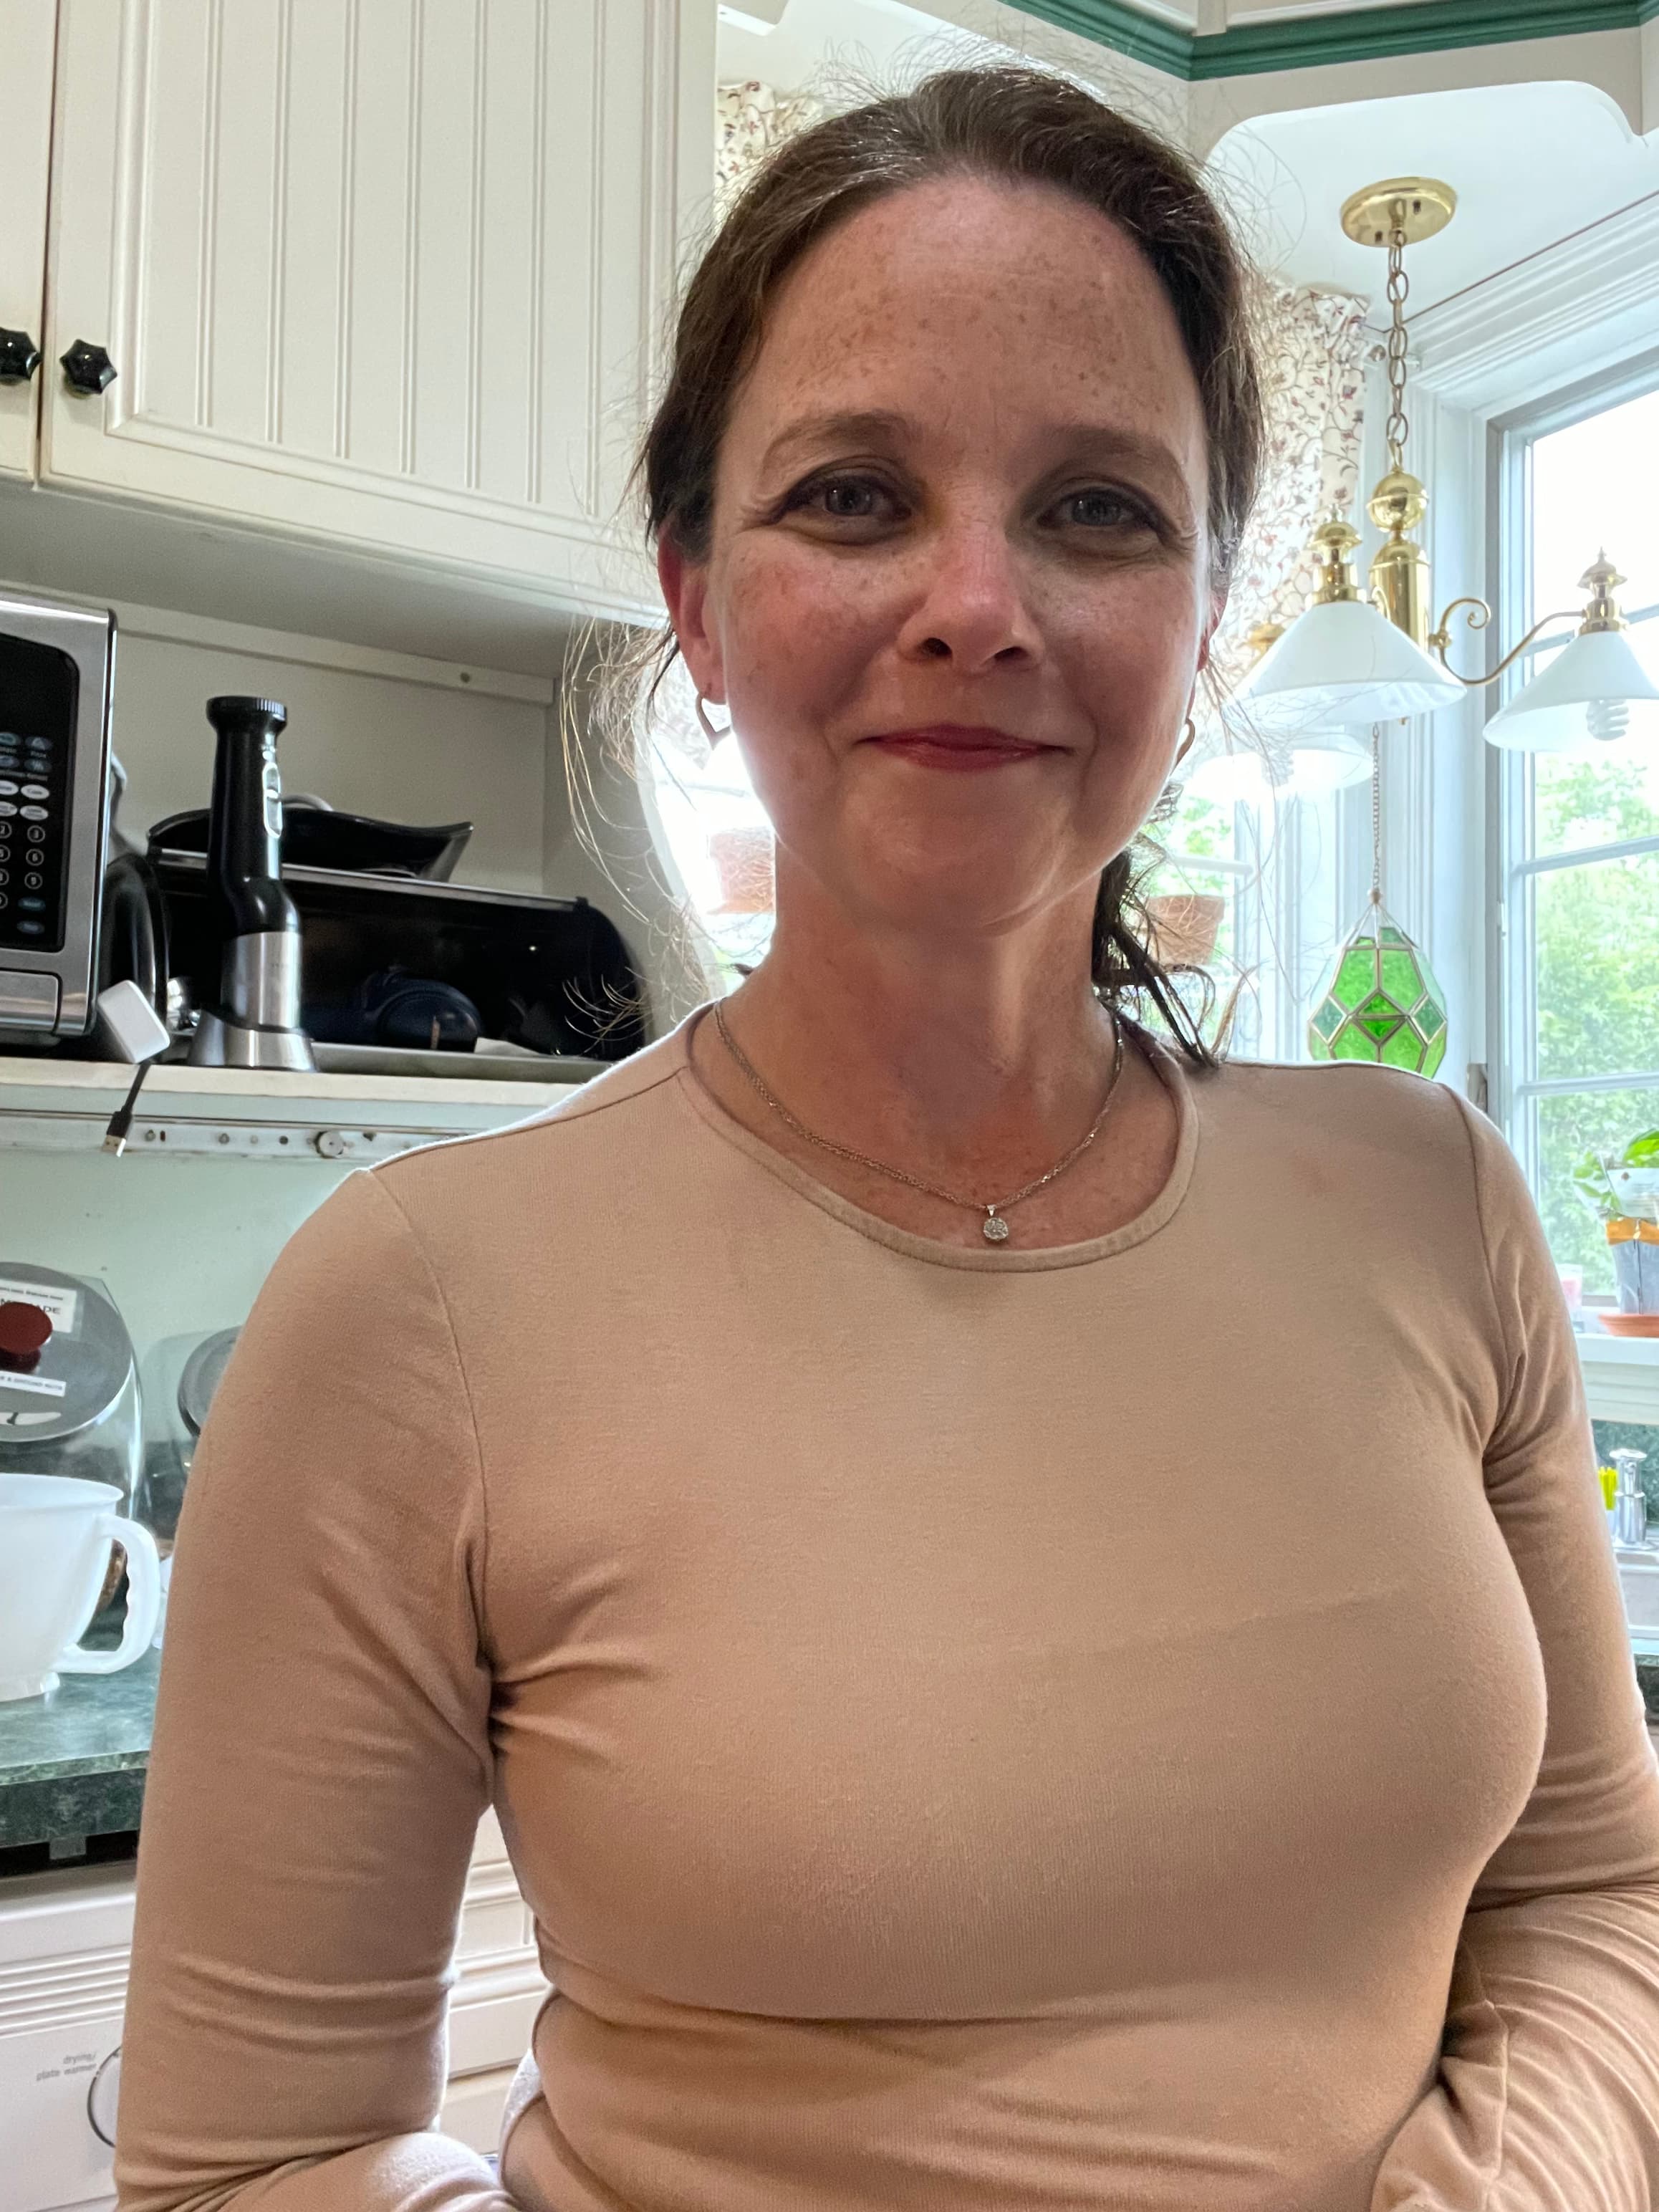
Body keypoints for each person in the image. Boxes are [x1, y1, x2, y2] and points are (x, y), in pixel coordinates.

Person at [115, 64, 1659, 2212]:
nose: (975, 604)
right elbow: (254, 2164)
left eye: (1098, 509)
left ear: (1206, 610)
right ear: (694, 596)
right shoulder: (420, 1301)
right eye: (851, 496)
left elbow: (1595, 1898)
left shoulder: (1433, 1201)